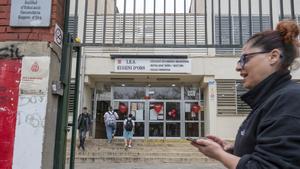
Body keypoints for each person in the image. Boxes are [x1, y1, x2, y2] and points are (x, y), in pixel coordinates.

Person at [191, 20, 300, 169]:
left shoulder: (289, 100)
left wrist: (220, 155)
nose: (237, 67)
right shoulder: (270, 100)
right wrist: (232, 149)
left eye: (244, 59)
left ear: (273, 57)